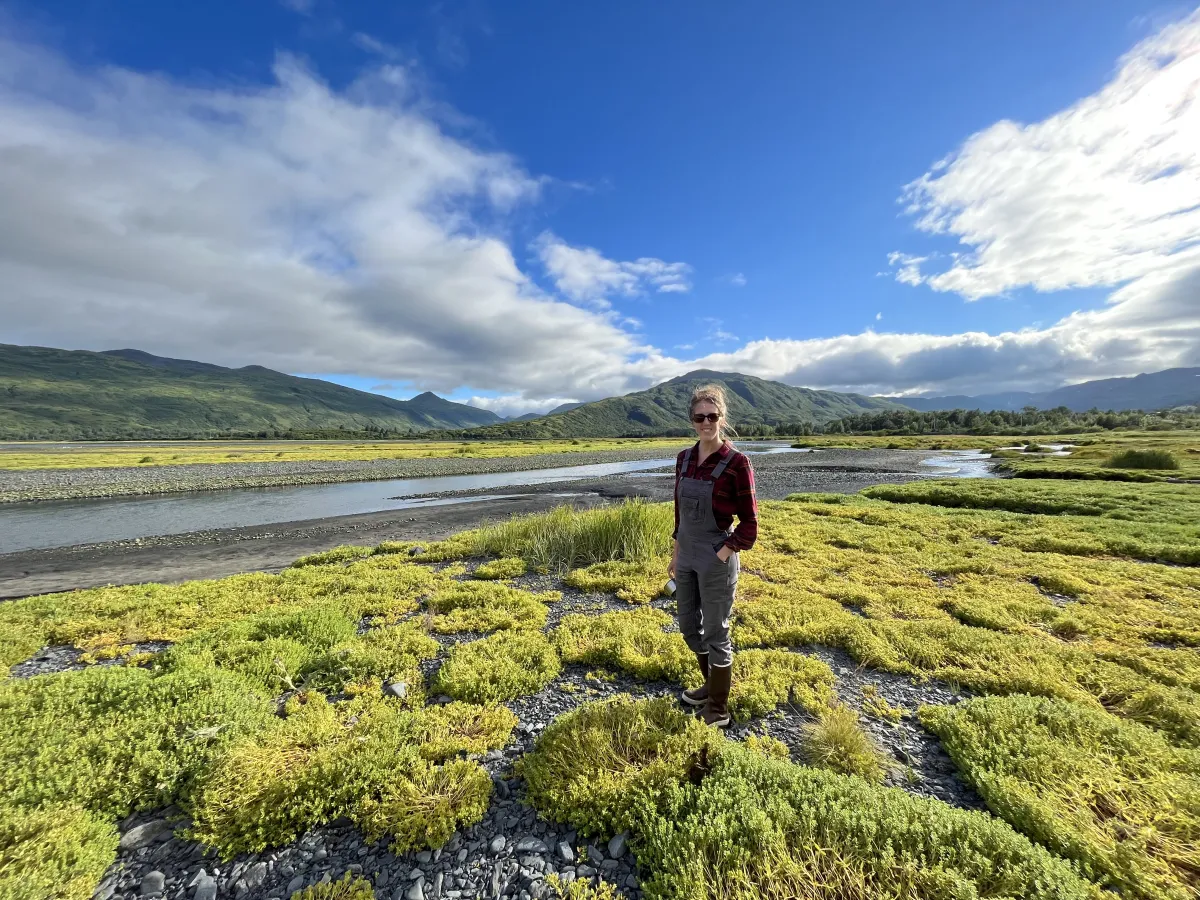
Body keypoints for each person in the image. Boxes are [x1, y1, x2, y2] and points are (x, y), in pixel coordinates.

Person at [667, 384, 758, 727]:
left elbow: (749, 524)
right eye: (699, 416)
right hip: (687, 553)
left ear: (722, 418)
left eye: (712, 416)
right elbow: (681, 515)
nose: (706, 422)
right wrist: (677, 553)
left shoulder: (737, 463)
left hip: (716, 557)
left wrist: (723, 551)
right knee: (690, 627)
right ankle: (708, 686)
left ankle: (718, 709)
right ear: (691, 419)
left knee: (716, 633)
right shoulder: (684, 459)